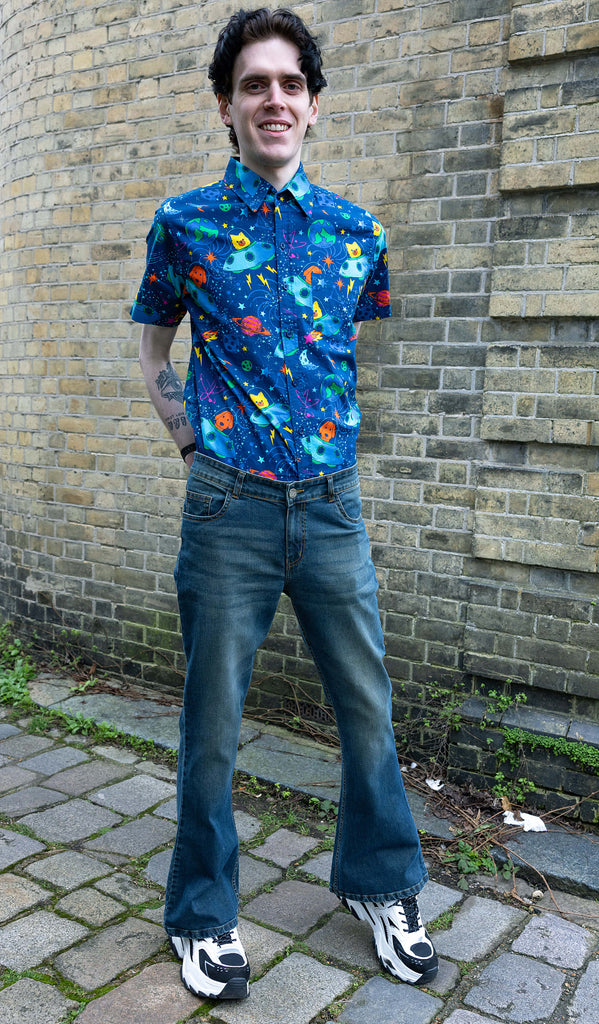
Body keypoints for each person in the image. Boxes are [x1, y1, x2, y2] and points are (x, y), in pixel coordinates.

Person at [132, 7, 437, 1002]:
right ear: (226, 106)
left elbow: (348, 345)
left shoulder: (358, 233)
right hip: (231, 511)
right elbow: (153, 344)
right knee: (212, 721)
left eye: (290, 83)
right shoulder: (184, 224)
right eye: (253, 83)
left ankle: (379, 884)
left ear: (313, 106)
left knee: (366, 706)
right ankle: (203, 914)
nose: (274, 98)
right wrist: (188, 438)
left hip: (333, 509)